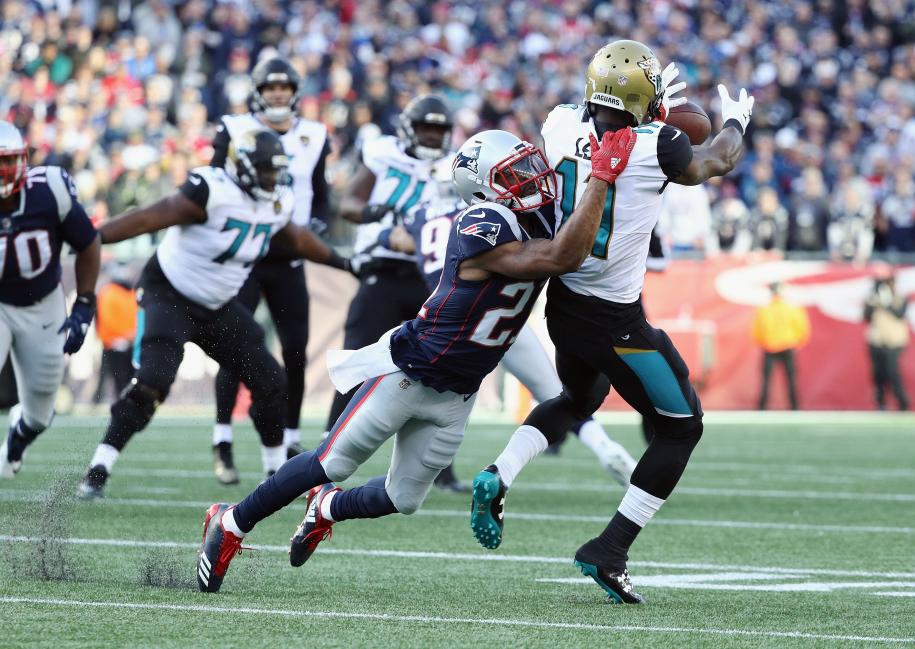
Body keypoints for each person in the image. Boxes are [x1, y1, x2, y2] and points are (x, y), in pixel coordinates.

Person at [194, 126, 638, 594]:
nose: (533, 178)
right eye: (517, 172)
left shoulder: (538, 214)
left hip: (459, 394)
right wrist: (602, 178)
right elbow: (561, 256)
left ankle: (325, 509)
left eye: (530, 164)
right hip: (408, 373)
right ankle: (231, 522)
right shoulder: (481, 224)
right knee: (330, 462)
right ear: (486, 187)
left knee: (401, 498)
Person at [469, 40, 754, 605]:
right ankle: (611, 549)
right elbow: (715, 160)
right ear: (647, 98)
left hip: (565, 304)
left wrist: (646, 109)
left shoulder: (556, 126)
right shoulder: (661, 144)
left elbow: (595, 127)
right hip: (615, 318)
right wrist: (736, 121)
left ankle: (500, 473)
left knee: (577, 400)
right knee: (683, 426)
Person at [77, 129, 357, 499]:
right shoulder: (212, 190)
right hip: (171, 293)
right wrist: (93, 236)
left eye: (277, 173)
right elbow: (150, 218)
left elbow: (298, 239)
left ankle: (275, 475)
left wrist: (345, 262)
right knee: (153, 382)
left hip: (218, 305)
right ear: (242, 168)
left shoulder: (275, 202)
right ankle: (99, 467)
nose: (273, 180)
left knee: (272, 381)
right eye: (266, 172)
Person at [383, 173, 636, 485]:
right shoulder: (482, 216)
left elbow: (394, 239)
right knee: (554, 393)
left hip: (452, 328)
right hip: (501, 320)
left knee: (436, 400)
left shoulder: (419, 216)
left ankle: (433, 474)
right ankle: (603, 445)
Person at [209, 56, 331, 485]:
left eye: (284, 87)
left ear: (294, 91)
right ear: (257, 92)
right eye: (270, 87)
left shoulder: (314, 135)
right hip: (245, 255)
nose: (277, 94)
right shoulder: (233, 128)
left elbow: (320, 193)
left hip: (288, 257)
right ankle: (222, 438)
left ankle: (292, 438)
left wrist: (316, 225)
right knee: (232, 346)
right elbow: (213, 182)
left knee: (295, 349)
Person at [326, 95, 454, 440]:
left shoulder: (455, 167)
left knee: (435, 369)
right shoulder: (383, 153)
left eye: (438, 129)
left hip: (430, 277)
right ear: (408, 128)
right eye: (424, 127)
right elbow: (350, 204)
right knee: (357, 357)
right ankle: (328, 444)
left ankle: (435, 462)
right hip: (383, 271)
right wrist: (376, 215)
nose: (431, 135)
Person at [0, 120, 101, 479]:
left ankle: (18, 436)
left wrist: (85, 305)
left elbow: (88, 242)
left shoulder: (49, 192)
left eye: (7, 161)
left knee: (41, 413)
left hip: (42, 303)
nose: (1, 172)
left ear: (23, 161)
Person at [751, 282, 810, 410]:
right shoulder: (792, 309)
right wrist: (796, 342)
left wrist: (765, 342)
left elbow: (757, 331)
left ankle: (762, 409)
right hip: (787, 347)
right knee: (790, 381)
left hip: (770, 347)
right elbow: (802, 329)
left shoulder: (765, 310)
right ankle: (795, 408)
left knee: (767, 381)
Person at [863, 267, 910, 411]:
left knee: (892, 372)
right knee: (878, 374)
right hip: (877, 340)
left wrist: (886, 302)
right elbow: (866, 317)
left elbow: (899, 313)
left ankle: (902, 402)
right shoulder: (873, 299)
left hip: (894, 341)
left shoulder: (899, 298)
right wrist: (873, 301)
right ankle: (881, 403)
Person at [92, 263, 138, 404]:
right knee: (116, 378)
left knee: (128, 378)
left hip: (130, 343)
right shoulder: (109, 292)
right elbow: (108, 321)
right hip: (114, 343)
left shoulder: (130, 293)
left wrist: (133, 335)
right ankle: (99, 402)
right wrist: (125, 335)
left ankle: (126, 404)